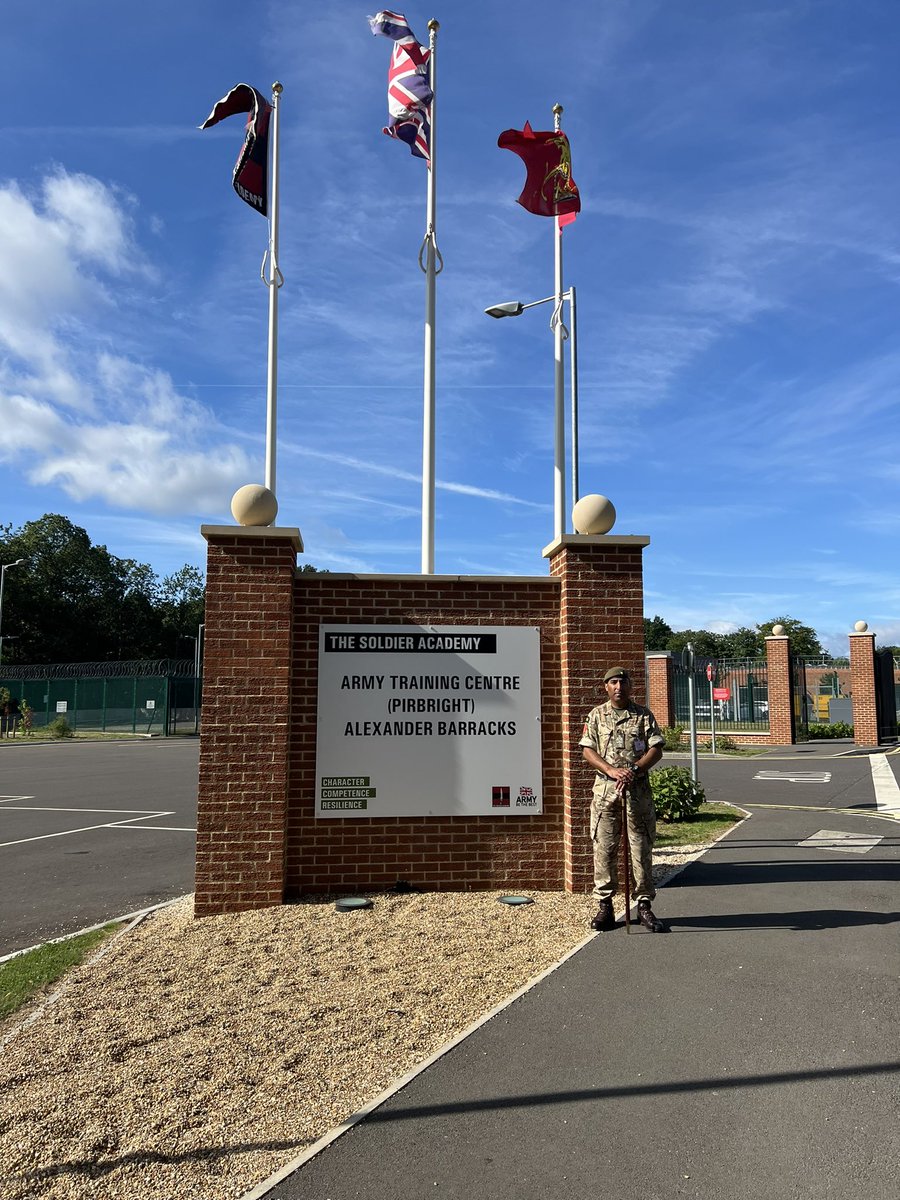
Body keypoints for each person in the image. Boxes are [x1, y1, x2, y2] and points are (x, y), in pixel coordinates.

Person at [579, 667, 666, 932]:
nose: (619, 686)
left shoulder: (643, 715)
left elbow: (656, 748)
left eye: (623, 682)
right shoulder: (596, 716)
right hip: (606, 793)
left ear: (630, 686)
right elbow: (587, 750)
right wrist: (611, 770)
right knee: (604, 848)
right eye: (613, 682)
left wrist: (635, 769)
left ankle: (643, 906)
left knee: (640, 848)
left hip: (637, 793)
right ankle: (605, 906)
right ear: (606, 687)